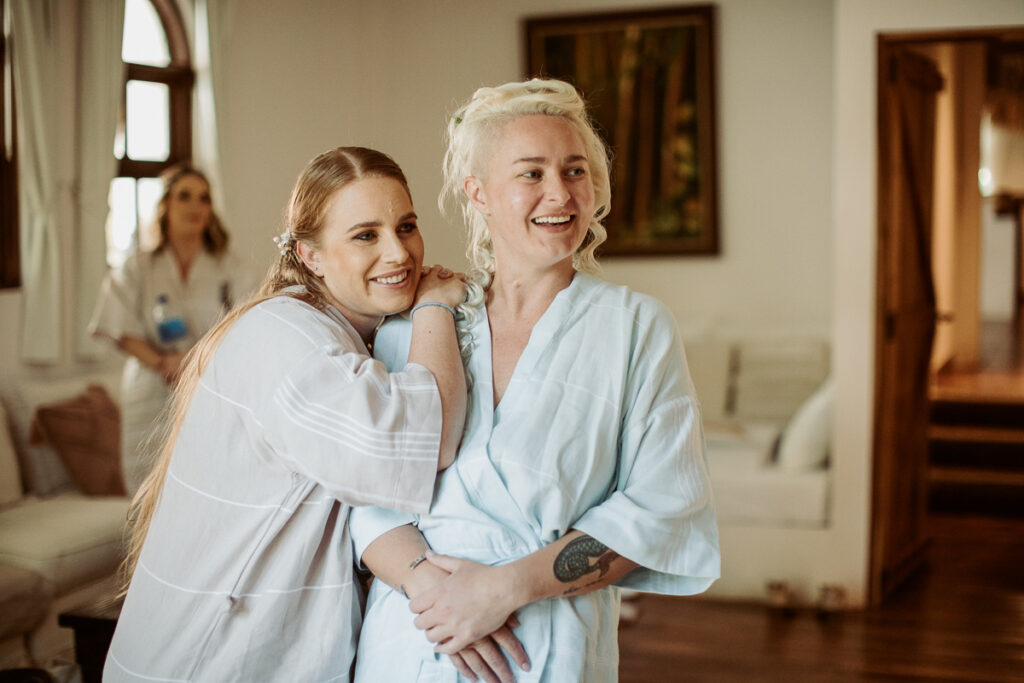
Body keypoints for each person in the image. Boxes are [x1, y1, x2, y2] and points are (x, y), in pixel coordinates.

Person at [350, 79, 720, 683]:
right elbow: (367, 494)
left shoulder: (634, 327)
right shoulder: (419, 321)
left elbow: (662, 508)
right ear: (479, 193)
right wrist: (430, 589)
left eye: (575, 171)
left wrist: (504, 589)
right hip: (414, 636)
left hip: (548, 644)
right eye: (531, 173)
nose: (561, 193)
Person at [102, 147, 470, 682]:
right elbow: (422, 442)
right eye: (365, 235)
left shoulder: (340, 332)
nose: (399, 252)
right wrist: (437, 305)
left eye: (406, 226)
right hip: (202, 662)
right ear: (311, 255)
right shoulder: (287, 340)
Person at [89, 164, 256, 494]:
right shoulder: (138, 265)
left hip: (209, 382)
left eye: (204, 198)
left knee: (205, 483)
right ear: (165, 206)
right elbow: (118, 325)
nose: (196, 206)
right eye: (185, 196)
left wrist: (192, 362)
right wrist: (164, 363)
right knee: (147, 488)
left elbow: (246, 328)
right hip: (149, 387)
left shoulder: (232, 266)